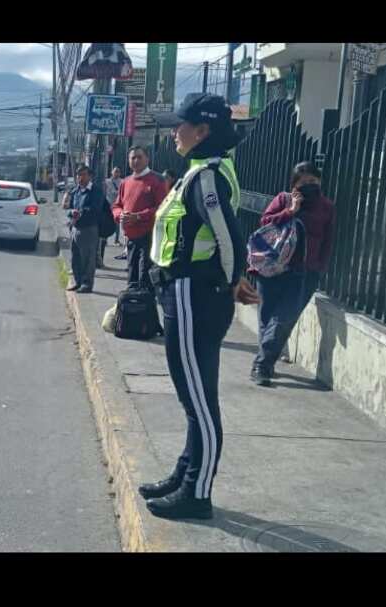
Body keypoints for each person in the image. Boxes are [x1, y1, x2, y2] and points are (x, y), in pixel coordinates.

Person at [138, 93, 260, 520]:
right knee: (193, 396)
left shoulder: (206, 176)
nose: (174, 131)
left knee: (199, 401)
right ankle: (185, 473)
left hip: (194, 295)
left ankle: (197, 493)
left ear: (203, 131)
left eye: (181, 125)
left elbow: (229, 237)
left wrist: (231, 281)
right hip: (185, 294)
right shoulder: (197, 172)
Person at [251, 161, 336, 386]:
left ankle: (261, 364)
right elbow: (265, 223)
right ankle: (266, 362)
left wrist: (320, 267)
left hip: (304, 272)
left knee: (284, 319)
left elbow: (327, 239)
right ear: (295, 184)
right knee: (266, 317)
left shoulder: (326, 206)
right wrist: (290, 211)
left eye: (314, 181)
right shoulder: (283, 199)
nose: (310, 185)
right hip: (272, 267)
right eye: (305, 181)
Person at [112, 146, 169, 289]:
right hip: (131, 238)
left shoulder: (157, 180)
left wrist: (138, 216)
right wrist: (121, 215)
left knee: (145, 278)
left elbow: (163, 208)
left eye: (139, 157)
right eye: (133, 158)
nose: (136, 160)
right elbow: (116, 206)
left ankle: (145, 306)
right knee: (132, 276)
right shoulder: (125, 182)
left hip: (149, 236)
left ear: (147, 159)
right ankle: (131, 306)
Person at [63, 165, 105, 294]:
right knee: (75, 257)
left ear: (90, 176)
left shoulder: (95, 191)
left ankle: (87, 284)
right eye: (78, 175)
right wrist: (71, 213)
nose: (80, 178)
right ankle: (78, 281)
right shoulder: (76, 191)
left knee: (87, 258)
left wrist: (80, 213)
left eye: (83, 174)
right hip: (75, 228)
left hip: (89, 228)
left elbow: (96, 209)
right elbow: (68, 207)